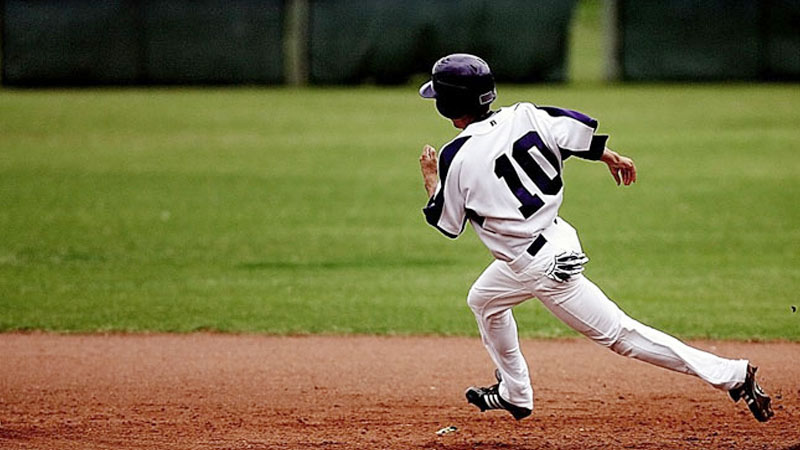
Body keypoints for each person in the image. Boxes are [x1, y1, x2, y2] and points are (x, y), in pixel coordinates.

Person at [417, 53, 773, 422]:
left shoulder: (454, 155)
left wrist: (432, 178)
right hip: (552, 241)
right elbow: (574, 133)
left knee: (621, 335)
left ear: (447, 105)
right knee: (484, 301)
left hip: (538, 266)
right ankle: (515, 393)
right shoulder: (526, 114)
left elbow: (448, 223)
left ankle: (731, 374)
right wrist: (610, 157)